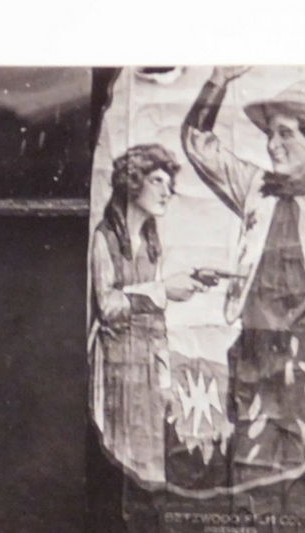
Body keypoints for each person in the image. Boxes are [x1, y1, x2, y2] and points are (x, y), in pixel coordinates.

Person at [180, 67, 305, 480]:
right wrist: (218, 80)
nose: (273, 145)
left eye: (285, 133)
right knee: (253, 453)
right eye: (270, 134)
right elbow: (197, 143)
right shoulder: (253, 186)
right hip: (258, 345)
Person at [89, 143, 215, 486]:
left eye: (169, 183)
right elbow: (109, 306)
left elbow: (154, 316)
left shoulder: (150, 241)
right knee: (124, 461)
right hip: (118, 368)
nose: (167, 191)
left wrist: (164, 379)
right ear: (133, 182)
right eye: (157, 180)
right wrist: (163, 290)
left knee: (153, 462)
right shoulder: (104, 238)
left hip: (148, 367)